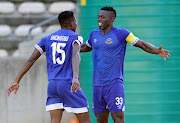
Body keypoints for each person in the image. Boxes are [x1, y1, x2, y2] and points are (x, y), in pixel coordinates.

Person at [80, 6, 171, 123]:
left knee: (118, 118)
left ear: (112, 19)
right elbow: (86, 47)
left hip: (114, 84)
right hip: (97, 85)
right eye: (98, 17)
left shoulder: (122, 33)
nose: (99, 19)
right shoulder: (94, 34)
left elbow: (142, 44)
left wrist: (156, 50)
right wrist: (70, 48)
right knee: (100, 120)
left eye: (103, 17)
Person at [8, 11, 91, 123]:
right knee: (86, 121)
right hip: (68, 83)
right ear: (71, 23)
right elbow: (76, 54)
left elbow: (31, 59)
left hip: (52, 85)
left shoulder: (47, 39)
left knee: (54, 121)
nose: (76, 23)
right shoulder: (75, 37)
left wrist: (16, 80)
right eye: (75, 21)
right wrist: (75, 77)